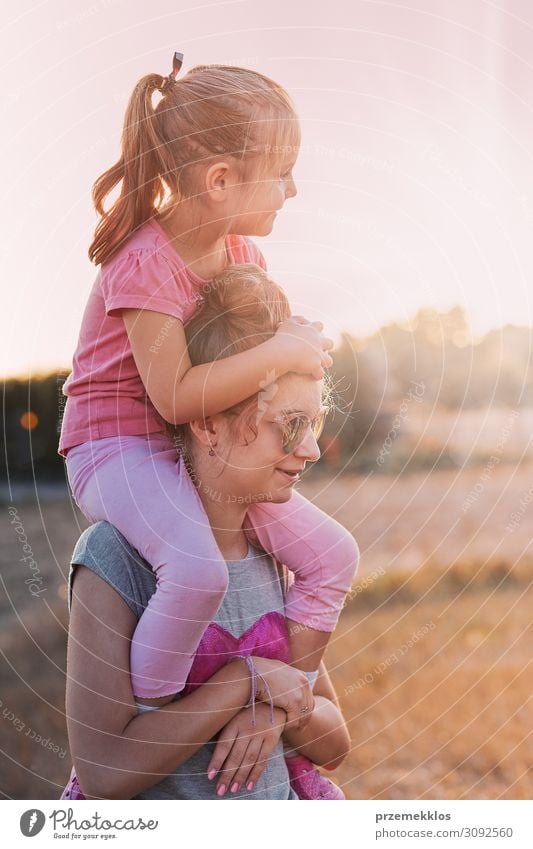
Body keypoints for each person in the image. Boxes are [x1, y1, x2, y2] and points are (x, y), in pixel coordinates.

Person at [58, 54, 359, 727]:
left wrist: (296, 347)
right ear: (220, 180)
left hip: (196, 451)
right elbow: (174, 396)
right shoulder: (143, 260)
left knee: (333, 554)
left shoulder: (244, 257)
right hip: (115, 450)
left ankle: (287, 693)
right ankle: (162, 713)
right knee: (197, 570)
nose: (293, 189)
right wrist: (280, 348)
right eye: (281, 173)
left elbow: (246, 369)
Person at [60, 268, 352, 800]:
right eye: (289, 425)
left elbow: (333, 744)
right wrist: (246, 683)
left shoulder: (278, 551)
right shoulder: (114, 557)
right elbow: (105, 772)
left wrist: (278, 706)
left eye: (315, 424)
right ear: (206, 422)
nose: (309, 450)